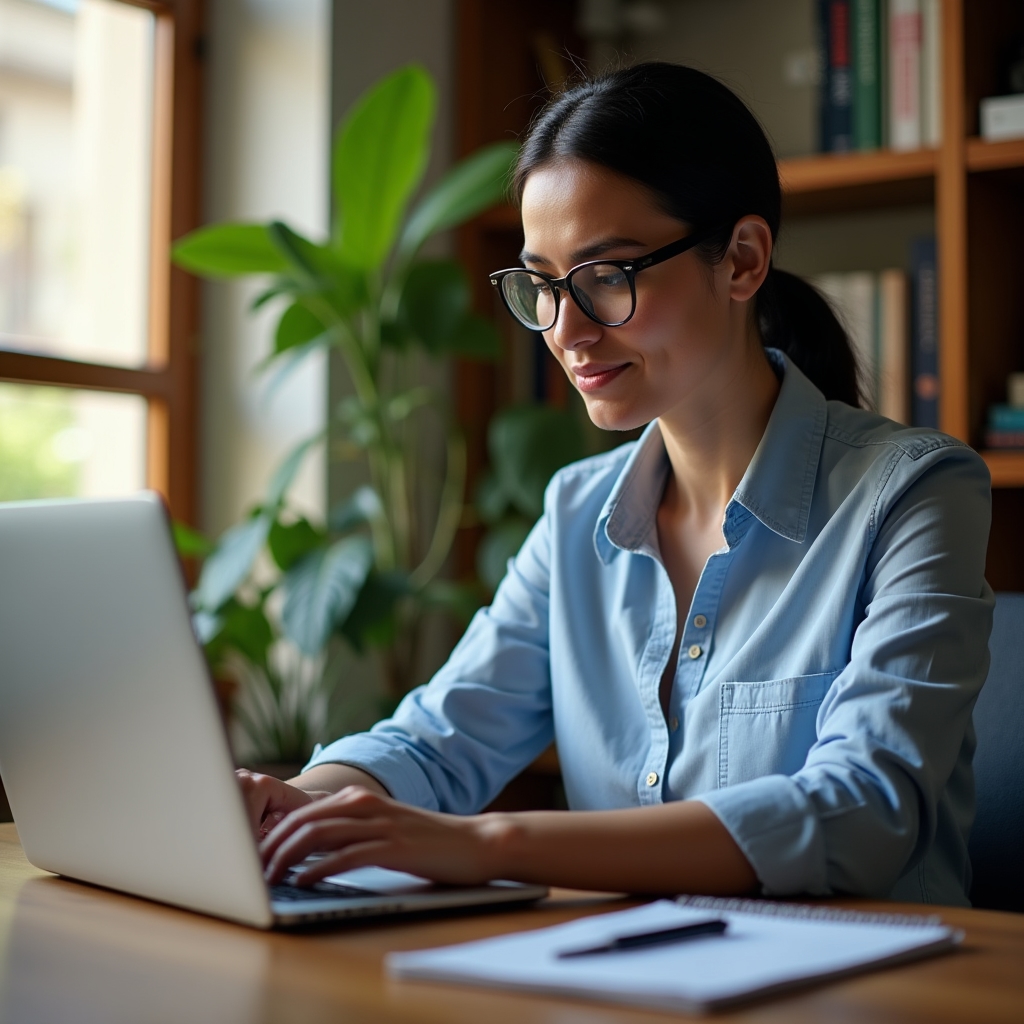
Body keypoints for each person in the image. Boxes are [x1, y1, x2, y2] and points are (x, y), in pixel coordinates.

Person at [241, 63, 993, 905]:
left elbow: (860, 813)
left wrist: (485, 843)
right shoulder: (576, 513)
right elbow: (438, 739)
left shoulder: (914, 493)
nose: (567, 332)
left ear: (742, 260)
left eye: (608, 276)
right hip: (623, 979)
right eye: (545, 285)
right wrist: (291, 805)